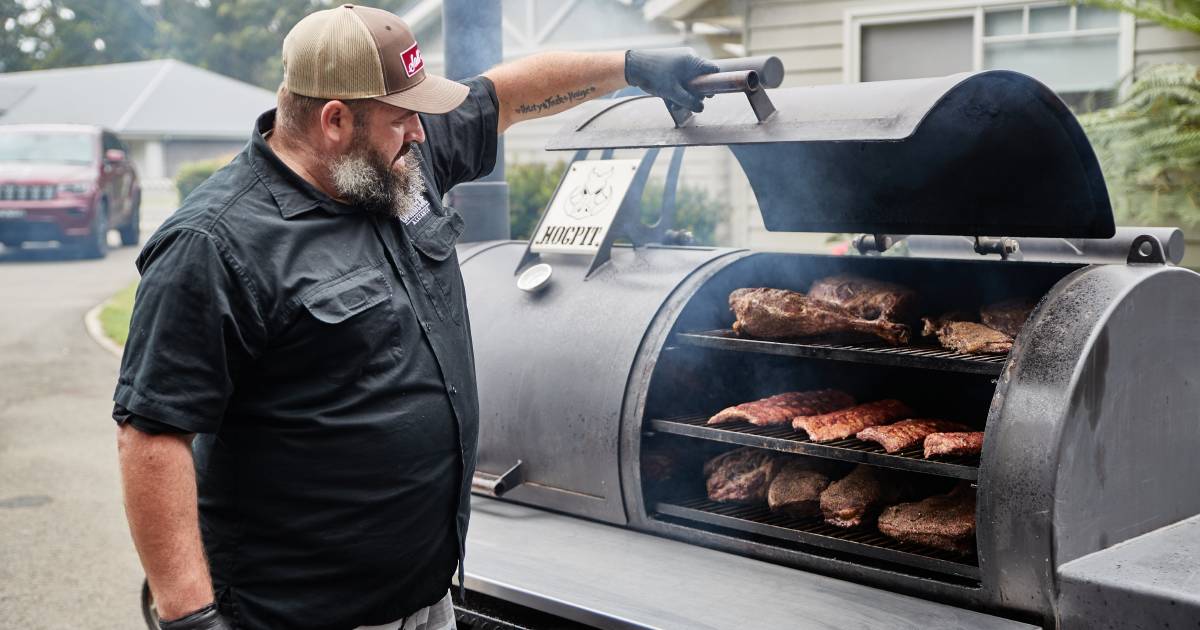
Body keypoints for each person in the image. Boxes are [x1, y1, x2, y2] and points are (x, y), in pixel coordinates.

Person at [113, 5, 716, 630]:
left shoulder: (396, 167)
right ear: (335, 120)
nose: (423, 134)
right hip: (303, 610)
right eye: (404, 119)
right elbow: (153, 435)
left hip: (425, 593)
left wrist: (632, 67)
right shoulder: (213, 246)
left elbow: (506, 94)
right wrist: (190, 618)